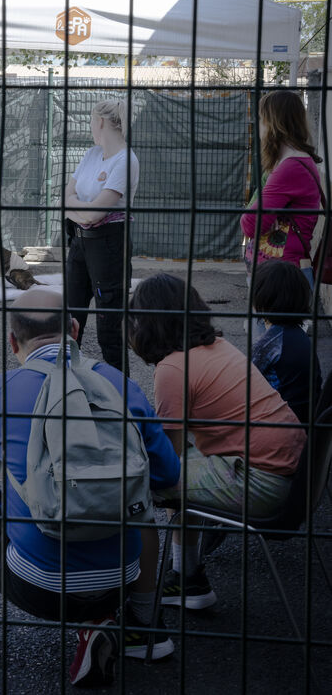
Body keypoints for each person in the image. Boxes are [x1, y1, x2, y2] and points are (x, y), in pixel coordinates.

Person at [0, 289, 180, 687]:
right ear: (75, 330)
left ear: (13, 342)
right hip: (120, 581)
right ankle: (114, 622)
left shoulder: (4, 391)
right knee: (137, 496)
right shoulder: (121, 385)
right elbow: (167, 475)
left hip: (38, 587)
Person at [128, 273, 306, 610]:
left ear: (147, 323)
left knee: (137, 481)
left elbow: (167, 463)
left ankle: (136, 589)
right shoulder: (219, 346)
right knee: (181, 469)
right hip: (292, 476)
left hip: (263, 484)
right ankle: (187, 577)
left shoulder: (173, 369)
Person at [65, 99, 140, 371]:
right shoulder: (91, 154)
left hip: (109, 246)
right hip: (79, 243)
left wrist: (80, 210)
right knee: (70, 319)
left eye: (90, 121)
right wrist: (84, 215)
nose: (90, 126)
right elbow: (67, 198)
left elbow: (95, 214)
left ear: (100, 122)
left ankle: (120, 389)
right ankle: (67, 380)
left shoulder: (126, 160)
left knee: (109, 329)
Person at [241, 90, 322, 288]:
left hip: (280, 280)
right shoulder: (290, 162)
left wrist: (262, 214)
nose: (258, 126)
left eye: (261, 119)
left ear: (273, 123)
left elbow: (250, 224)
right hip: (276, 275)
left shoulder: (291, 167)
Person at [252, 259, 322, 423]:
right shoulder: (299, 335)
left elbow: (243, 384)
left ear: (262, 298)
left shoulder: (269, 343)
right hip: (308, 420)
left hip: (280, 424)